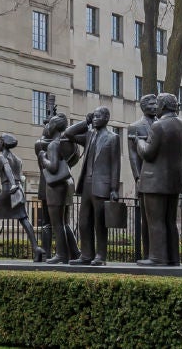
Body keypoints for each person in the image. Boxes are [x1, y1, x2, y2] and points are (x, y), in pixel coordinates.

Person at [134, 92, 182, 266]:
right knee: (170, 221)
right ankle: (173, 257)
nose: (155, 106)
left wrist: (139, 142)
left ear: (163, 106)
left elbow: (148, 153)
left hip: (155, 181)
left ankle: (157, 257)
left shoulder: (158, 126)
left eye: (157, 103)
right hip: (174, 180)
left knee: (155, 221)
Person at [65, 106, 121, 266]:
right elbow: (69, 134)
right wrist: (85, 122)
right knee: (84, 222)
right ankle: (86, 255)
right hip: (87, 184)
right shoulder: (90, 135)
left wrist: (114, 189)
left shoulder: (113, 138)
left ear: (106, 118)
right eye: (94, 116)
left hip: (102, 186)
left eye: (98, 116)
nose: (95, 119)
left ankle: (100, 256)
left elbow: (115, 165)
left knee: (100, 223)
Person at [0, 134, 41, 260]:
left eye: (0, 141)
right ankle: (36, 248)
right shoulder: (18, 160)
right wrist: (17, 185)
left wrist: (12, 184)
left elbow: (7, 169)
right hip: (18, 190)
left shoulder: (1, 157)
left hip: (8, 189)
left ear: (3, 143)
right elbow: (20, 177)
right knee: (24, 219)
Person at [36, 112, 80, 263]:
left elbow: (53, 167)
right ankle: (73, 253)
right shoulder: (70, 144)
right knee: (63, 222)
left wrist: (43, 158)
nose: (47, 126)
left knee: (57, 223)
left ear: (53, 126)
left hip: (55, 187)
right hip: (66, 185)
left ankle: (61, 255)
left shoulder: (53, 144)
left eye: (49, 124)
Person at [127, 94, 160, 261]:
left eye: (156, 104)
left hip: (161, 178)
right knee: (146, 220)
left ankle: (160, 254)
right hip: (145, 178)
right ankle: (148, 253)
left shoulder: (162, 125)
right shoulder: (135, 127)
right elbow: (133, 156)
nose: (154, 107)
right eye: (151, 104)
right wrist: (137, 177)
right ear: (143, 106)